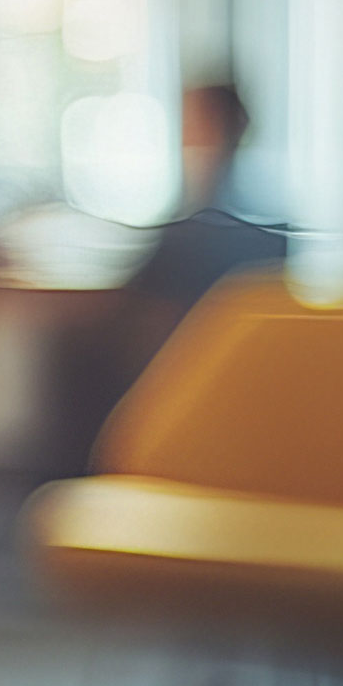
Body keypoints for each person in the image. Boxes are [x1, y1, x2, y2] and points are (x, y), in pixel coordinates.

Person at [43, 81, 289, 473]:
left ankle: (79, 480)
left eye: (188, 119)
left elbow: (139, 295)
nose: (180, 131)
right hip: (226, 367)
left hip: (180, 366)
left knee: (70, 346)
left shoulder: (201, 225)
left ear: (212, 126)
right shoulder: (259, 218)